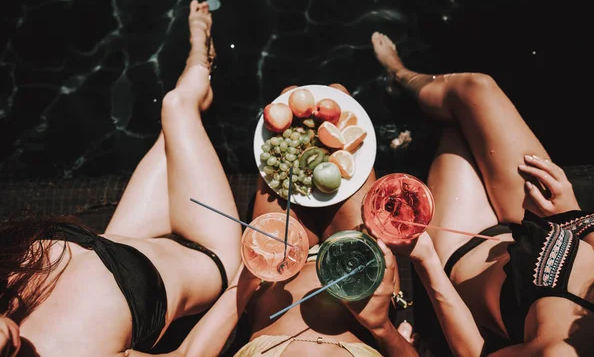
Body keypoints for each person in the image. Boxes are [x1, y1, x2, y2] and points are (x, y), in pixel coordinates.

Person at [0, 0, 242, 357]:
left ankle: (199, 71)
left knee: (174, 124)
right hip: (209, 252)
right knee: (176, 106)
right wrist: (248, 280)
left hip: (123, 241)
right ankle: (200, 49)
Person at [127, 82, 421, 357]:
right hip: (361, 278)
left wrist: (247, 280)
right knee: (338, 99)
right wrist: (384, 329)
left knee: (290, 101)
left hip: (269, 279)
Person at [370, 31, 594, 356]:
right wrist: (571, 212)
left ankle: (402, 97)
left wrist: (427, 262)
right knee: (476, 89)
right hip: (544, 220)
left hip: (469, 242)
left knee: (452, 128)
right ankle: (399, 75)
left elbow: (475, 353)